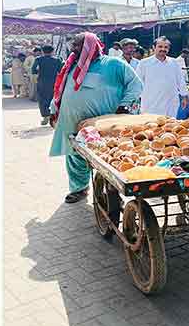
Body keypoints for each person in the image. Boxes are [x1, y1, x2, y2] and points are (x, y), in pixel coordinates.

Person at [50, 32, 142, 203]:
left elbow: (136, 85)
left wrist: (125, 104)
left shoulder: (113, 64)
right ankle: (79, 189)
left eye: (77, 45)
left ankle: (112, 193)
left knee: (106, 158)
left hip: (102, 126)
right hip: (72, 122)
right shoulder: (71, 65)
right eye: (73, 45)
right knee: (74, 156)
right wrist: (53, 109)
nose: (73, 48)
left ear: (90, 46)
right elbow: (61, 89)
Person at [135, 36, 188, 117]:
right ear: (154, 47)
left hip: (170, 103)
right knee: (150, 123)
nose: (163, 49)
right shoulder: (144, 63)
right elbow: (137, 83)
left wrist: (184, 96)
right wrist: (136, 99)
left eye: (166, 47)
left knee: (169, 123)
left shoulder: (174, 62)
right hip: (151, 103)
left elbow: (180, 80)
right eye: (160, 46)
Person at [32, 45, 62, 126]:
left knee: (42, 99)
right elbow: (61, 71)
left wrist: (39, 72)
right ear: (52, 51)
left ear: (42, 51)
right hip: (54, 82)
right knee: (53, 99)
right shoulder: (57, 60)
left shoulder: (38, 59)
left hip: (42, 82)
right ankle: (53, 117)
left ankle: (45, 117)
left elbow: (33, 70)